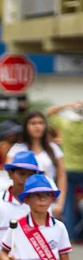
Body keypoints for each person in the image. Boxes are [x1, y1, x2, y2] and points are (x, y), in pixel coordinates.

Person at [5, 111, 66, 218]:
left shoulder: (54, 149)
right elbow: (8, 174)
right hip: (23, 201)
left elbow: (61, 177)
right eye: (33, 123)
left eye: (41, 123)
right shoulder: (17, 149)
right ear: (26, 126)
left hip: (47, 201)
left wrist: (59, 203)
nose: (37, 127)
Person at [46, 101, 83, 238]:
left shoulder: (66, 125)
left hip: (68, 169)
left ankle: (69, 235)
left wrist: (68, 105)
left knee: (67, 204)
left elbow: (49, 111)